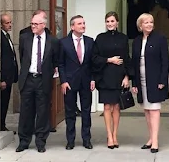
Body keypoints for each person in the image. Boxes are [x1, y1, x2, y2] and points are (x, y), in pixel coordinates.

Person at [16, 11, 60, 153]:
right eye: (32, 23)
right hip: (28, 79)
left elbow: (55, 60)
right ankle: (24, 141)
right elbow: (22, 56)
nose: (33, 26)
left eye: (36, 24)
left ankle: (40, 141)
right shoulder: (25, 38)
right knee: (26, 111)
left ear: (43, 25)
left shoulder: (52, 41)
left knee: (42, 112)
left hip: (43, 80)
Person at [92, 12, 132, 149]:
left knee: (116, 106)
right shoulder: (100, 38)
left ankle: (115, 135)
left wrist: (127, 76)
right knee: (107, 106)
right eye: (107, 21)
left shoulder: (123, 38)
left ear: (117, 23)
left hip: (119, 76)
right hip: (104, 75)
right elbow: (94, 58)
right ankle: (109, 135)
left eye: (112, 21)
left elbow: (127, 58)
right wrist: (109, 60)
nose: (110, 23)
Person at [131, 13, 169, 153]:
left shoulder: (160, 38)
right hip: (141, 80)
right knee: (146, 109)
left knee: (154, 109)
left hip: (154, 80)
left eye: (151, 22)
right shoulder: (136, 41)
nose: (149, 25)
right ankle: (151, 138)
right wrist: (134, 82)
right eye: (146, 22)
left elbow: (165, 61)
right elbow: (134, 63)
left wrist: (162, 80)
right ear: (140, 25)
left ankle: (155, 141)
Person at [58, 15, 95, 150]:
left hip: (86, 81)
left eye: (84, 23)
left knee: (86, 111)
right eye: (79, 23)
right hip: (69, 82)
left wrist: (92, 79)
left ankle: (86, 139)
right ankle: (70, 140)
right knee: (70, 112)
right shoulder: (63, 43)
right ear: (72, 27)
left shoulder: (90, 41)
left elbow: (92, 63)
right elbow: (60, 64)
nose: (83, 25)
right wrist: (63, 81)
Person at [0, 13, 19, 131]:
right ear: (1, 24)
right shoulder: (0, 37)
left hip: (10, 76)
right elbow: (1, 58)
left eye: (10, 22)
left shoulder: (7, 36)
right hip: (4, 77)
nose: (10, 25)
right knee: (3, 102)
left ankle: (3, 123)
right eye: (7, 23)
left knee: (6, 101)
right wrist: (1, 79)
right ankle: (1, 124)